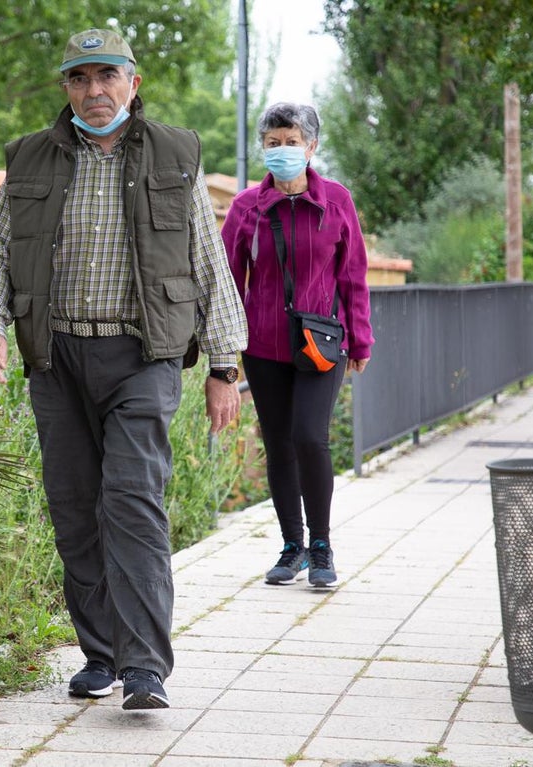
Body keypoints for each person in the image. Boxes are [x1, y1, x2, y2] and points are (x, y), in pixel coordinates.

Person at [0, 28, 247, 711]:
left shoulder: (173, 152)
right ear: (66, 87)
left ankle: (145, 665)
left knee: (132, 504)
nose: (94, 91)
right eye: (80, 78)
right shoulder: (31, 159)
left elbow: (206, 260)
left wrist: (224, 363)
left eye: (107, 76)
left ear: (133, 81)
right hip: (57, 359)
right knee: (73, 510)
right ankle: (102, 654)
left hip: (140, 358)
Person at [221, 102, 372, 588]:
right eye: (272, 142)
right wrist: (226, 346)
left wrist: (360, 339)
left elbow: (352, 275)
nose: (281, 150)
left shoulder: (336, 201)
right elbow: (227, 280)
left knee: (310, 437)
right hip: (263, 346)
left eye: (291, 142)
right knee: (279, 444)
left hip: (321, 344)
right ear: (262, 147)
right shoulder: (247, 207)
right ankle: (292, 547)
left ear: (311, 147)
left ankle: (322, 546)